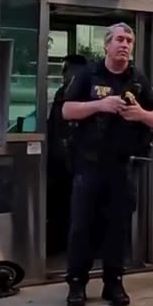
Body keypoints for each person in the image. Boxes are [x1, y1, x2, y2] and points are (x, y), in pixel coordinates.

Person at [61, 23, 153, 306]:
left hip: (121, 167)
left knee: (117, 227)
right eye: (119, 39)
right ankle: (77, 284)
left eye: (129, 40)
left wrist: (140, 113)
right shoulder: (87, 75)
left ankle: (113, 283)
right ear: (106, 45)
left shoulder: (137, 79)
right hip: (88, 166)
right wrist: (100, 105)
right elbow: (67, 110)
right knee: (82, 226)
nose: (125, 44)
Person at [45, 55, 88, 255]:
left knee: (77, 209)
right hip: (57, 161)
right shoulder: (63, 92)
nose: (63, 74)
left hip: (77, 161)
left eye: (66, 69)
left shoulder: (88, 93)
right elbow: (53, 124)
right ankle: (58, 243)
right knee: (58, 205)